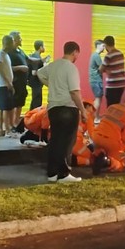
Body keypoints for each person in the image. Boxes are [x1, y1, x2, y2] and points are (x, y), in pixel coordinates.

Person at [37, 40, 86, 183]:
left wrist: (50, 84)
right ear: (75, 52)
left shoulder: (53, 65)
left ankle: (52, 173)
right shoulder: (71, 68)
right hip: (68, 107)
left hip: (53, 108)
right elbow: (75, 92)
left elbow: (40, 73)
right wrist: (83, 110)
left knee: (55, 141)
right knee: (67, 142)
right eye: (78, 54)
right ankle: (64, 174)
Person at [92, 92, 125, 175]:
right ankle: (106, 161)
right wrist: (124, 153)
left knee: (100, 152)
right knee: (120, 165)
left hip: (96, 137)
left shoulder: (112, 107)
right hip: (111, 141)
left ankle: (99, 156)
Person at [8, 31, 30, 131]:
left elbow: (29, 59)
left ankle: (16, 121)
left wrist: (41, 60)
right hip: (15, 82)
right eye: (19, 38)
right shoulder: (9, 52)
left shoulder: (20, 51)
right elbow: (7, 67)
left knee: (20, 102)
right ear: (14, 40)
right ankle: (11, 124)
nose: (21, 40)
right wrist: (20, 68)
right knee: (13, 103)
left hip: (23, 82)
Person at [0, 35, 15, 137]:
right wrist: (7, 82)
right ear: (7, 43)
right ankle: (7, 130)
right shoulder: (0, 54)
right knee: (6, 108)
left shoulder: (6, 55)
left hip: (6, 84)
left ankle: (0, 129)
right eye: (11, 42)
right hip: (3, 84)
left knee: (3, 107)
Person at [100, 35, 125, 106]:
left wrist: (107, 69)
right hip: (122, 84)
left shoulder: (109, 55)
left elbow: (100, 69)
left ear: (105, 45)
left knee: (110, 107)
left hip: (113, 85)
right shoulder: (120, 53)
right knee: (117, 106)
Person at [72, 100, 97, 167]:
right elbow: (92, 134)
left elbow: (84, 136)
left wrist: (88, 143)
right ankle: (72, 160)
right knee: (91, 158)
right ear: (88, 106)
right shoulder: (87, 115)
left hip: (67, 142)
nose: (93, 111)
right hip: (75, 142)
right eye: (92, 108)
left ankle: (71, 159)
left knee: (88, 144)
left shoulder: (75, 112)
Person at [28, 40, 50, 110]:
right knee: (36, 103)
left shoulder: (37, 57)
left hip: (37, 83)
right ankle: (33, 118)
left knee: (35, 101)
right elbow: (34, 72)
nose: (44, 48)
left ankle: (29, 118)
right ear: (40, 47)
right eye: (44, 46)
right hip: (36, 83)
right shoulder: (36, 57)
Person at [89, 39, 105, 118]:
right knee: (98, 99)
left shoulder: (94, 55)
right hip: (96, 80)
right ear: (98, 46)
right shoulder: (96, 56)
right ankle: (95, 117)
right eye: (103, 46)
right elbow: (101, 68)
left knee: (98, 98)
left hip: (95, 80)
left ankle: (96, 116)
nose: (104, 48)